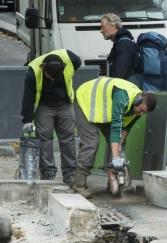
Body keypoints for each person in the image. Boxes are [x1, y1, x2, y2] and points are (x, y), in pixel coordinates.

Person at [73, 78, 157, 198]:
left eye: (145, 113)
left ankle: (113, 181)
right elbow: (116, 128)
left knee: (119, 144)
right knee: (91, 143)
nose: (141, 114)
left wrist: (118, 150)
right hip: (87, 100)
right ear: (138, 100)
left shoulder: (139, 108)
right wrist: (116, 157)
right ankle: (79, 186)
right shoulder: (123, 98)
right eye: (141, 110)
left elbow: (126, 128)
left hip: (103, 109)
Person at [20, 50, 81, 184]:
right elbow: (28, 97)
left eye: (55, 76)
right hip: (44, 105)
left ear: (63, 67)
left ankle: (69, 172)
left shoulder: (71, 59)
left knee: (68, 137)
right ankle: (48, 172)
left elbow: (77, 64)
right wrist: (27, 120)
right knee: (44, 138)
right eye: (49, 76)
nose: (52, 79)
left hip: (65, 103)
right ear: (43, 68)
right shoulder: (33, 71)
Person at [101, 13, 143, 88]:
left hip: (126, 89)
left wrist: (113, 87)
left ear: (113, 27)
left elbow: (120, 73)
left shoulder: (123, 44)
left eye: (103, 27)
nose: (101, 31)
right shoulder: (123, 41)